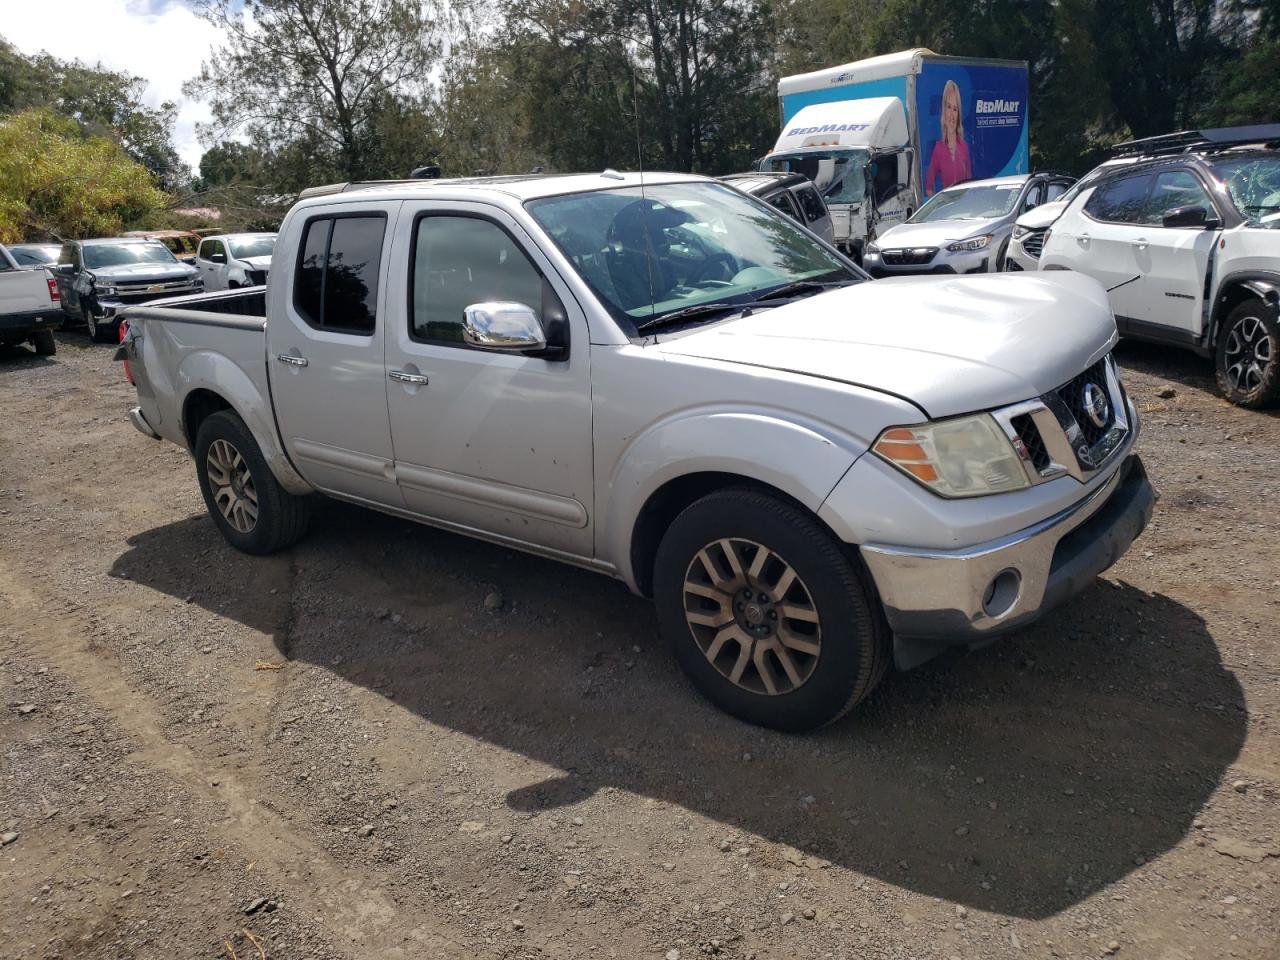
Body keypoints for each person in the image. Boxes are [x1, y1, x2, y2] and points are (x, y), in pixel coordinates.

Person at [923, 79, 972, 197]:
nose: (952, 115)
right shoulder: (939, 149)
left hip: (964, 205)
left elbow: (970, 183)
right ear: (943, 111)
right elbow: (928, 187)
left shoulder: (964, 147)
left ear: (958, 114)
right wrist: (941, 204)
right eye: (948, 107)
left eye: (955, 109)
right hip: (948, 206)